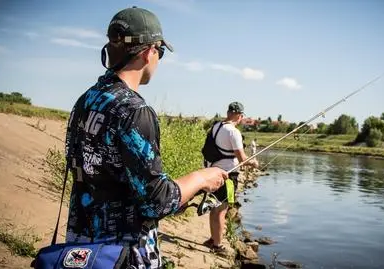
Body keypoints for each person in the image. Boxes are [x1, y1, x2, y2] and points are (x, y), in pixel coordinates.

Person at [64, 6, 227, 269]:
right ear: (149, 51)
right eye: (160, 52)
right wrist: (201, 178)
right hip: (122, 255)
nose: (158, 59)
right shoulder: (135, 110)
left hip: (80, 249)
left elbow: (101, 175)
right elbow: (156, 202)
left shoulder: (86, 100)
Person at [203, 102, 258, 254]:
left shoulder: (216, 127)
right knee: (221, 210)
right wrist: (253, 162)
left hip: (213, 172)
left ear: (228, 112)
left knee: (214, 207)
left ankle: (213, 239)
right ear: (240, 116)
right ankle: (217, 245)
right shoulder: (234, 132)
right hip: (228, 175)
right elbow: (242, 160)